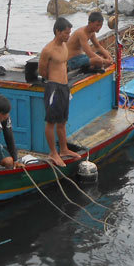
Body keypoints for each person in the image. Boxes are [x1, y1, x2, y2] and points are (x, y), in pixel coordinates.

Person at [38, 17, 81, 166]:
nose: (68, 36)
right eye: (66, 33)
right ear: (57, 31)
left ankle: (64, 149)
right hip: (53, 88)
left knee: (62, 121)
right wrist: (54, 82)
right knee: (51, 122)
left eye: (69, 33)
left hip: (64, 87)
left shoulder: (65, 46)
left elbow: (65, 65)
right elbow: (42, 71)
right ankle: (53, 153)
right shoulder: (48, 50)